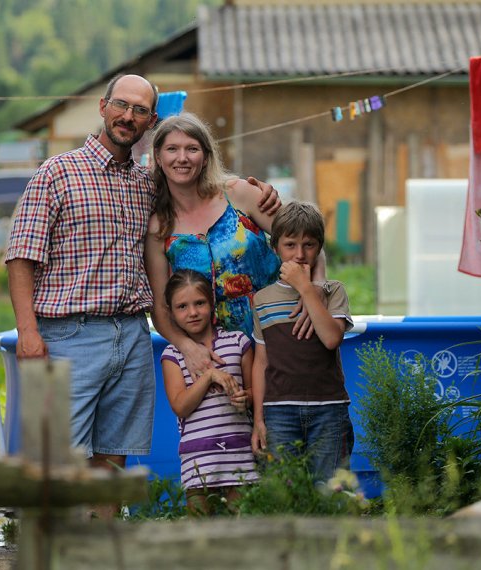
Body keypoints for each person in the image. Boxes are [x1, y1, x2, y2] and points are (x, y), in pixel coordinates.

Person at [5, 74, 278, 508]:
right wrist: (27, 331)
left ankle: (105, 548)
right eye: (121, 105)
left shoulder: (146, 184)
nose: (127, 116)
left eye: (139, 110)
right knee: (53, 457)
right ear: (102, 106)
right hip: (63, 334)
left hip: (130, 334)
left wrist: (251, 189)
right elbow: (21, 255)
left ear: (151, 120)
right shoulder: (57, 171)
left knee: (113, 459)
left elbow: (195, 180)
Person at [145, 113, 321, 378]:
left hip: (283, 333)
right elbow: (160, 307)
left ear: (205, 156)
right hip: (219, 358)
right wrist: (188, 348)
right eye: (172, 149)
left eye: (191, 149)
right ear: (158, 157)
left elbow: (310, 244)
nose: (182, 158)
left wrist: (316, 293)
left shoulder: (240, 194)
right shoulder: (159, 227)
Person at [250, 201, 355, 483]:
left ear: (319, 248)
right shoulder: (262, 300)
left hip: (329, 409)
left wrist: (307, 289)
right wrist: (258, 419)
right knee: (284, 491)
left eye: (308, 245)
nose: (299, 254)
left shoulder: (333, 292)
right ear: (275, 248)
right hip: (279, 411)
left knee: (331, 490)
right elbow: (261, 362)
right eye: (290, 245)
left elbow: (332, 338)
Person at [159, 269, 258, 514]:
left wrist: (247, 397)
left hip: (240, 451)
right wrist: (210, 375)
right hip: (198, 456)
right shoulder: (173, 355)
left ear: (212, 303)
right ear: (171, 312)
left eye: (200, 303)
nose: (192, 312)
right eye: (182, 306)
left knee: (245, 523)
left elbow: (256, 391)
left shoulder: (238, 342)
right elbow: (180, 406)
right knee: (200, 528)